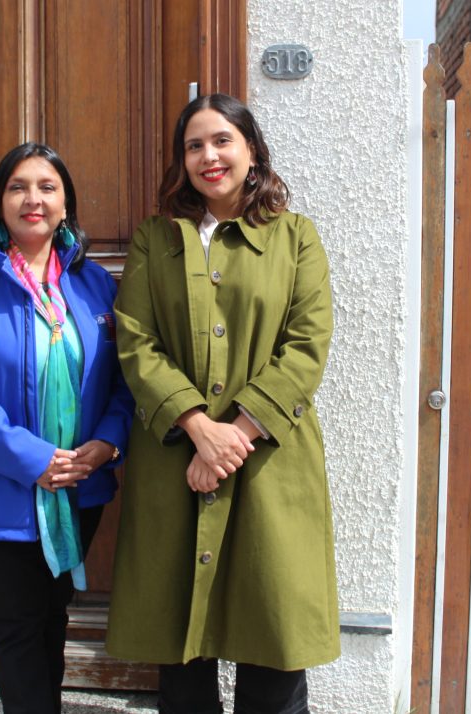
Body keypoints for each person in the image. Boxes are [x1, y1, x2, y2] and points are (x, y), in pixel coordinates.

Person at [105, 93, 339, 714]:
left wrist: (233, 435)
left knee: (273, 643)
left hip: (269, 464)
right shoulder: (156, 239)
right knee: (181, 654)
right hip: (173, 461)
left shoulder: (295, 237)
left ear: (251, 151)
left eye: (222, 141)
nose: (208, 156)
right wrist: (198, 427)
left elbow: (307, 344)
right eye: (194, 146)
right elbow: (136, 341)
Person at [0, 142, 132, 714]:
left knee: (52, 619)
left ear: (66, 204)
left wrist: (107, 444)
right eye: (17, 187)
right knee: (15, 631)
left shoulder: (96, 286)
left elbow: (124, 380)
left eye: (46, 187)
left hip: (78, 486)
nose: (33, 198)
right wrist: (33, 459)